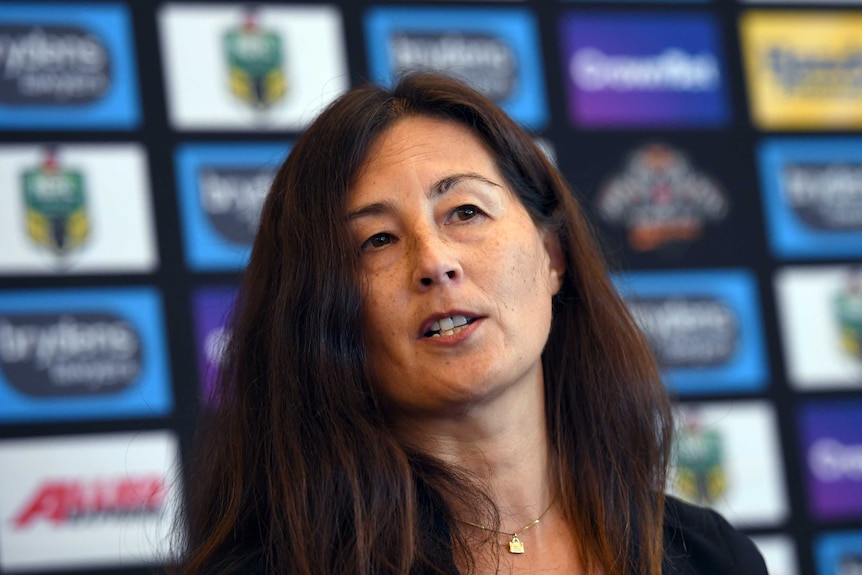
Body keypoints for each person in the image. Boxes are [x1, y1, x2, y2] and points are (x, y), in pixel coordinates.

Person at [177, 72, 768, 575]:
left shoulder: (712, 557)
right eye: (377, 240)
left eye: (465, 211)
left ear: (553, 257)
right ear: (326, 314)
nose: (435, 262)